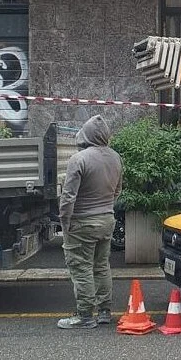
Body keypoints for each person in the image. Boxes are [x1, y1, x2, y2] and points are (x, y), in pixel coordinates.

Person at [56, 115, 123, 330]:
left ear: (85, 134)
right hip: (107, 219)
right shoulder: (115, 157)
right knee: (102, 266)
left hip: (82, 222)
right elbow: (118, 191)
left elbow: (68, 196)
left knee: (81, 267)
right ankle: (104, 311)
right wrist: (105, 207)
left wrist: (64, 221)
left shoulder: (79, 159)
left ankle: (85, 315)